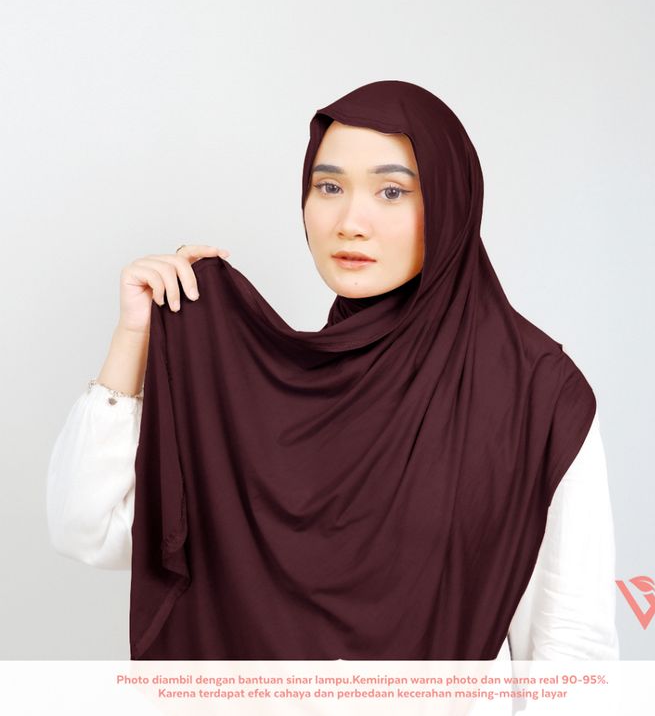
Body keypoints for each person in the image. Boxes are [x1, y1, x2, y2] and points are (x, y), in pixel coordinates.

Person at [47, 81, 619, 661]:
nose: (350, 222)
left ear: (450, 201)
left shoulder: (534, 395)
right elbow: (89, 530)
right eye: (329, 187)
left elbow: (571, 643)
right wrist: (134, 337)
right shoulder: (263, 397)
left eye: (392, 191)